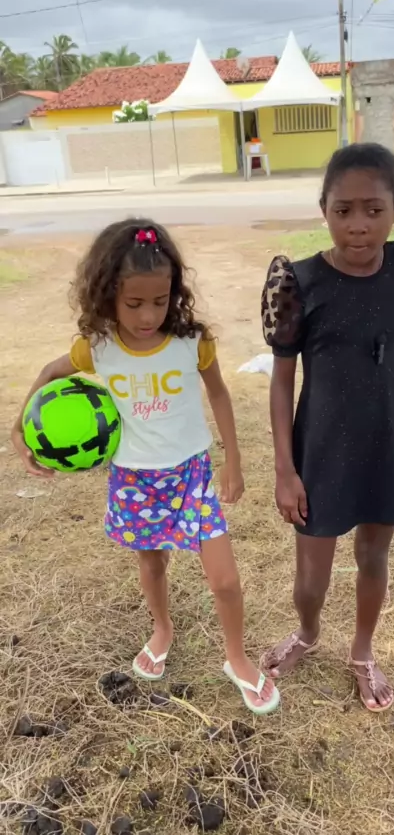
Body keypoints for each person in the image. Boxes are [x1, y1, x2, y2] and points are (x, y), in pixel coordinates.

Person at [11, 219, 279, 716]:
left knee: (224, 579)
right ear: (107, 295)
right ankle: (162, 629)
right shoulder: (99, 347)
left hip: (192, 476)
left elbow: (219, 394)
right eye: (134, 303)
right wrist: (19, 429)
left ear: (174, 293)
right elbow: (50, 372)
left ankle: (237, 658)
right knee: (152, 564)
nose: (149, 314)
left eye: (160, 300)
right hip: (135, 480)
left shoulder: (191, 340)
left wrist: (233, 460)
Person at [260, 143, 394, 712]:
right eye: (343, 210)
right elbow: (281, 383)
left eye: (374, 210)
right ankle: (308, 632)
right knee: (312, 576)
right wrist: (285, 470)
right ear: (324, 210)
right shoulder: (299, 282)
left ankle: (362, 651)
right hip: (320, 448)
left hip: (385, 441)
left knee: (373, 556)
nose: (358, 225)